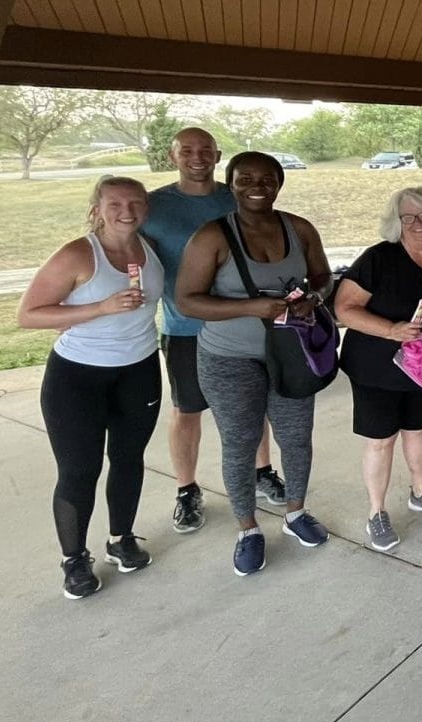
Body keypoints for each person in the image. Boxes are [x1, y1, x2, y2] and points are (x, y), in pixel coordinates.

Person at [175, 151, 334, 577]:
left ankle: (296, 513)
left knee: (297, 438)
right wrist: (254, 307)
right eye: (245, 179)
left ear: (280, 183)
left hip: (291, 354)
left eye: (267, 178)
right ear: (231, 184)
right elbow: (187, 300)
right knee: (241, 444)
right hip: (229, 358)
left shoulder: (298, 228)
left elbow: (322, 276)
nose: (257, 186)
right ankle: (247, 529)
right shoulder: (212, 237)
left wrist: (314, 299)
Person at [18, 175, 164, 599]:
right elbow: (28, 314)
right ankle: (74, 560)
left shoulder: (148, 249)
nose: (127, 211)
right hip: (77, 376)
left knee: (128, 458)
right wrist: (100, 307)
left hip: (138, 369)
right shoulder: (79, 254)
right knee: (80, 470)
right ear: (97, 208)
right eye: (115, 203)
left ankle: (122, 539)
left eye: (136, 203)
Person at [142, 127, 288, 535]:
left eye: (205, 149)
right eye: (187, 150)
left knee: (252, 405)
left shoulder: (238, 197)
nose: (197, 156)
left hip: (246, 326)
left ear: (218, 155)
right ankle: (187, 490)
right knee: (188, 410)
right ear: (173, 156)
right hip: (185, 326)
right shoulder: (154, 206)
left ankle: (262, 472)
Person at [335, 188, 422, 551]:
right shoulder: (378, 259)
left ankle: (420, 491)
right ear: (396, 222)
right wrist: (392, 330)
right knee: (381, 440)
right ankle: (377, 512)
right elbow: (345, 309)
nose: (417, 223)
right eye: (408, 217)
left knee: (418, 430)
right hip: (375, 367)